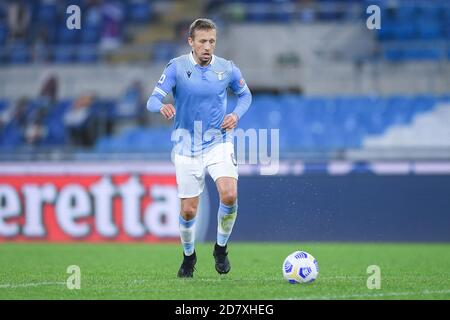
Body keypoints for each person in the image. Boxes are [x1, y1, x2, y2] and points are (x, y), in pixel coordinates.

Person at [147, 18, 252, 278]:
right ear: (191, 42)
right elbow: (153, 99)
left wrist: (236, 116)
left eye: (212, 41)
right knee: (188, 210)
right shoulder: (177, 67)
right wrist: (162, 106)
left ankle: (221, 249)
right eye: (203, 41)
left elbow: (245, 95)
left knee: (229, 195)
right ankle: (188, 256)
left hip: (219, 141)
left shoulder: (227, 69)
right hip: (186, 145)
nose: (208, 46)